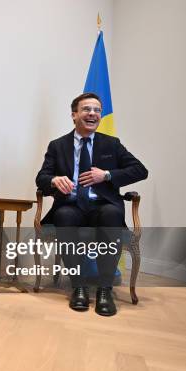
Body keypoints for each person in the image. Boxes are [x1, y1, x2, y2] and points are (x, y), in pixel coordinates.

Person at [35, 92, 148, 316]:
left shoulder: (111, 144)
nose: (93, 114)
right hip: (72, 204)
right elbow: (42, 178)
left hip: (101, 205)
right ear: (74, 115)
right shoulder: (58, 145)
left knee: (111, 214)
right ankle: (78, 286)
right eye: (87, 109)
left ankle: (105, 289)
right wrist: (54, 180)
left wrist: (106, 175)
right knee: (65, 216)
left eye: (97, 110)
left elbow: (140, 170)